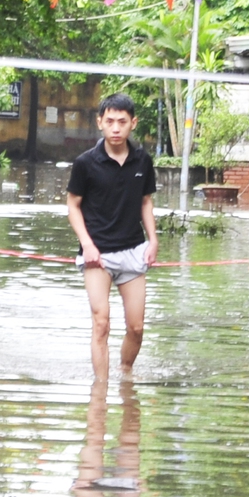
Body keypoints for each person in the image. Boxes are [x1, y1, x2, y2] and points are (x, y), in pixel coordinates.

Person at [66, 93, 157, 377]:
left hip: (133, 250)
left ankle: (125, 374)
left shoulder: (143, 161)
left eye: (122, 121)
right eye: (110, 121)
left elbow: (146, 202)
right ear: (99, 123)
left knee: (136, 327)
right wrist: (87, 245)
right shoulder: (85, 163)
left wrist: (153, 240)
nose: (115, 128)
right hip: (97, 255)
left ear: (133, 123)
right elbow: (73, 205)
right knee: (101, 323)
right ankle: (100, 389)